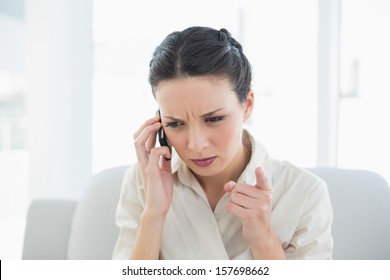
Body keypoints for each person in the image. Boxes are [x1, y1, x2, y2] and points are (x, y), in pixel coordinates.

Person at [112, 26, 333, 260]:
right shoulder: (143, 181)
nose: (196, 145)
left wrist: (263, 237)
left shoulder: (304, 193)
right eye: (175, 124)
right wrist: (154, 214)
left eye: (214, 119)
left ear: (247, 105)